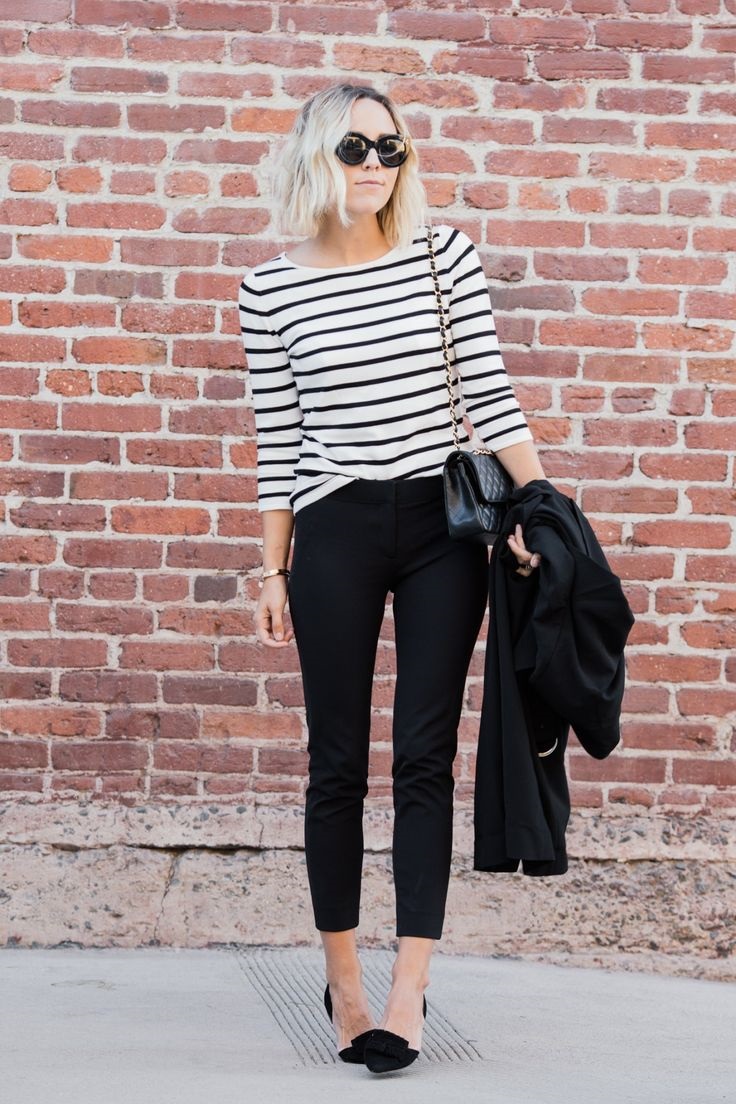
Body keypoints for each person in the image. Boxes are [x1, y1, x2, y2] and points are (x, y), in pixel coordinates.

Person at [238, 82, 545, 1074]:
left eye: (390, 151)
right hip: (332, 526)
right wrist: (272, 567)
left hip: (440, 527)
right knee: (335, 760)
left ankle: (410, 986)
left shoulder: (441, 256)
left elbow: (492, 395)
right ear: (313, 157)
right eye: (354, 149)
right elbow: (278, 441)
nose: (374, 167)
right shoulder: (270, 289)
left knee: (423, 754)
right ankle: (347, 983)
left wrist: (544, 509)